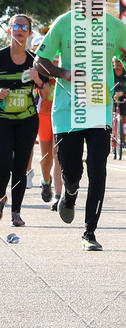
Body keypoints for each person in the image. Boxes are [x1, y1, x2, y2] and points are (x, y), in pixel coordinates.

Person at [34, 0, 126, 251]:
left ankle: (89, 232)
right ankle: (69, 193)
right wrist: (63, 72)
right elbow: (40, 61)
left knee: (98, 167)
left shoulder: (115, 27)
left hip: (99, 107)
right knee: (71, 170)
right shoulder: (64, 23)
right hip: (67, 109)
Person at [0, 15, 47, 226]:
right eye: (16, 26)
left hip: (27, 120)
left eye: (24, 27)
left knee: (20, 166)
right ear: (10, 30)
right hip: (2, 120)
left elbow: (46, 94)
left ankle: (16, 213)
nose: (19, 30)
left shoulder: (34, 60)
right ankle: (1, 199)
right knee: (3, 162)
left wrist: (37, 79)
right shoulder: (0, 57)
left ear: (29, 33)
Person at [31, 34, 61, 208]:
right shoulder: (42, 63)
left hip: (62, 114)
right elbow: (43, 93)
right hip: (43, 114)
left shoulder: (66, 59)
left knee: (58, 154)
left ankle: (58, 195)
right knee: (46, 156)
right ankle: (45, 181)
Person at [112, 57, 126, 149]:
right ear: (113, 64)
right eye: (117, 64)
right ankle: (110, 136)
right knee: (110, 116)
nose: (119, 66)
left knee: (124, 119)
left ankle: (123, 140)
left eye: (120, 64)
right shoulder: (110, 73)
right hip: (111, 97)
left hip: (124, 97)